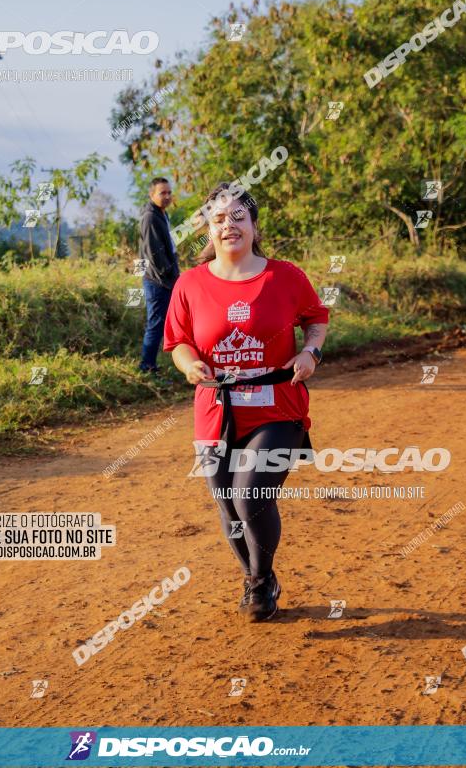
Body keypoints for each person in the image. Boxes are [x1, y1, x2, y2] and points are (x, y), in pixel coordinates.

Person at [163, 183, 329, 621]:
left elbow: (316, 318)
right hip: (216, 408)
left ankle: (258, 584)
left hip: (278, 404)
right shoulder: (190, 284)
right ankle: (260, 577)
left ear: (254, 226)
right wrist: (188, 365)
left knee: (249, 492)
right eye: (219, 219)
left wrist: (310, 352)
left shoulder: (285, 276)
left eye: (238, 216)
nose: (228, 225)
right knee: (226, 501)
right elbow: (178, 341)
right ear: (208, 230)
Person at [138, 177, 180, 374]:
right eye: (162, 193)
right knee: (155, 324)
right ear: (151, 194)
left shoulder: (162, 214)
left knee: (167, 322)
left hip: (166, 278)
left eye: (169, 192)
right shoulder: (149, 217)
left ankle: (157, 363)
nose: (167, 196)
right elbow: (153, 253)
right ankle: (147, 367)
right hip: (157, 280)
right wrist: (169, 277)